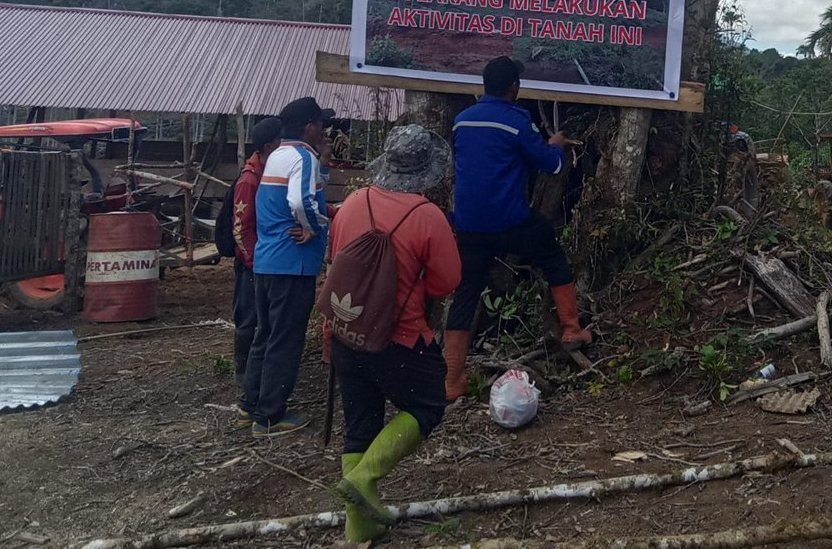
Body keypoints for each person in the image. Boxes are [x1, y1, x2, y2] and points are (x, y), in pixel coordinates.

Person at [328, 125, 461, 543]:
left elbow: (336, 261)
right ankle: (364, 478)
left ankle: (357, 532)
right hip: (400, 339)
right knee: (428, 404)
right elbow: (447, 281)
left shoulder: (351, 203)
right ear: (426, 172)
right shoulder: (426, 216)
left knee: (361, 425)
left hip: (346, 333)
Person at [442, 57, 589, 402]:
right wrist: (555, 145)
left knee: (465, 293)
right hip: (509, 222)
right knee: (552, 256)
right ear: (514, 87)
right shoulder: (517, 120)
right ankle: (571, 329)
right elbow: (552, 167)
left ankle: (451, 381)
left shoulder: (462, 121)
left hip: (467, 227)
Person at [240, 95, 332, 436]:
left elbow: (305, 188)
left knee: (265, 335)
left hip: (267, 261)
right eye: (321, 124)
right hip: (292, 263)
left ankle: (251, 404)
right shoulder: (302, 156)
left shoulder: (278, 155)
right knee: (286, 339)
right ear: (309, 127)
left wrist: (323, 165)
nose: (324, 129)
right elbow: (301, 199)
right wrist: (313, 225)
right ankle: (270, 416)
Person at [231, 116, 283, 386]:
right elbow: (241, 229)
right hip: (252, 262)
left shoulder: (268, 173)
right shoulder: (249, 180)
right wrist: (253, 261)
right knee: (249, 318)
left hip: (262, 259)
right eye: (280, 141)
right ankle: (243, 373)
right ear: (270, 145)